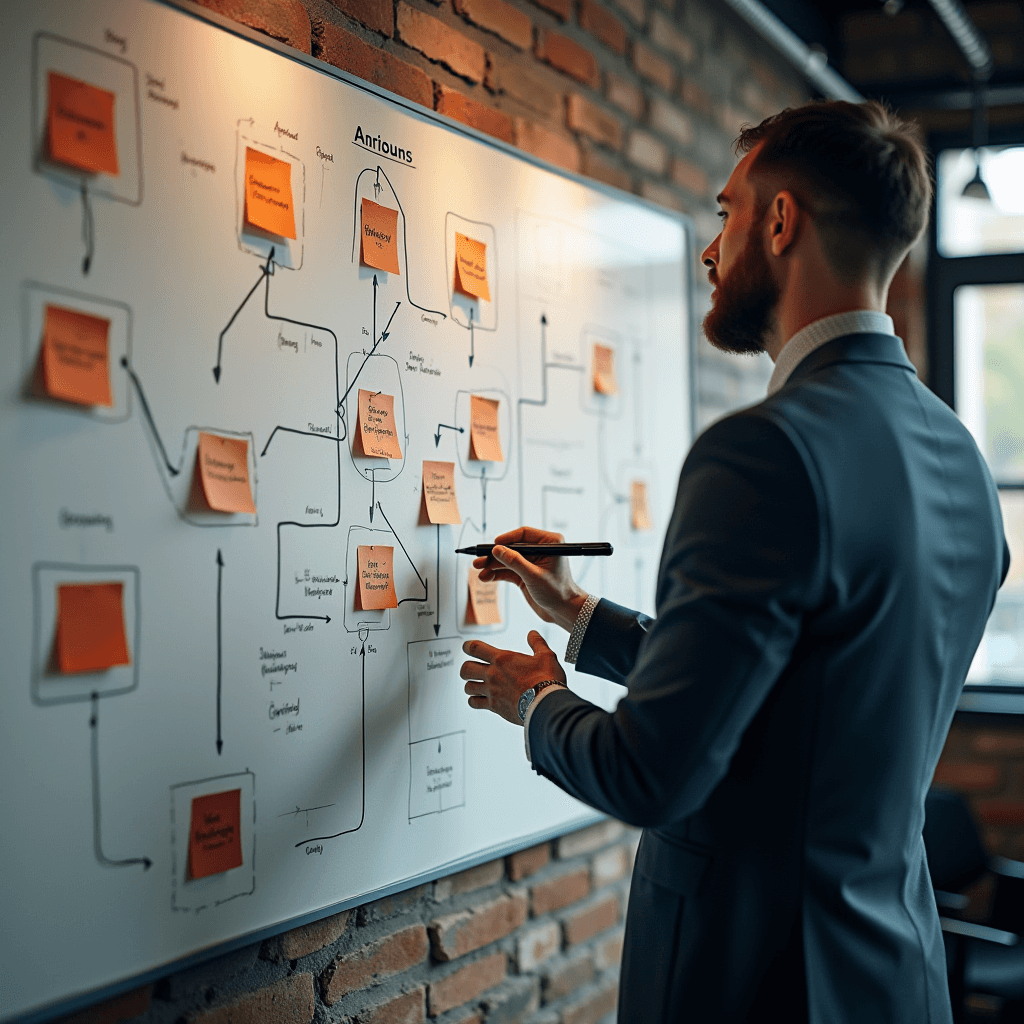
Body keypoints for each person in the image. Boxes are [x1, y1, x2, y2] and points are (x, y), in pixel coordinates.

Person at [459, 100, 1010, 1023]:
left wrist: (535, 699)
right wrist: (579, 614)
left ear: (780, 221)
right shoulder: (962, 458)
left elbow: (649, 773)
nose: (711, 251)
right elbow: (796, 698)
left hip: (752, 984)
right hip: (894, 976)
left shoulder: (761, 453)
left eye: (725, 213)